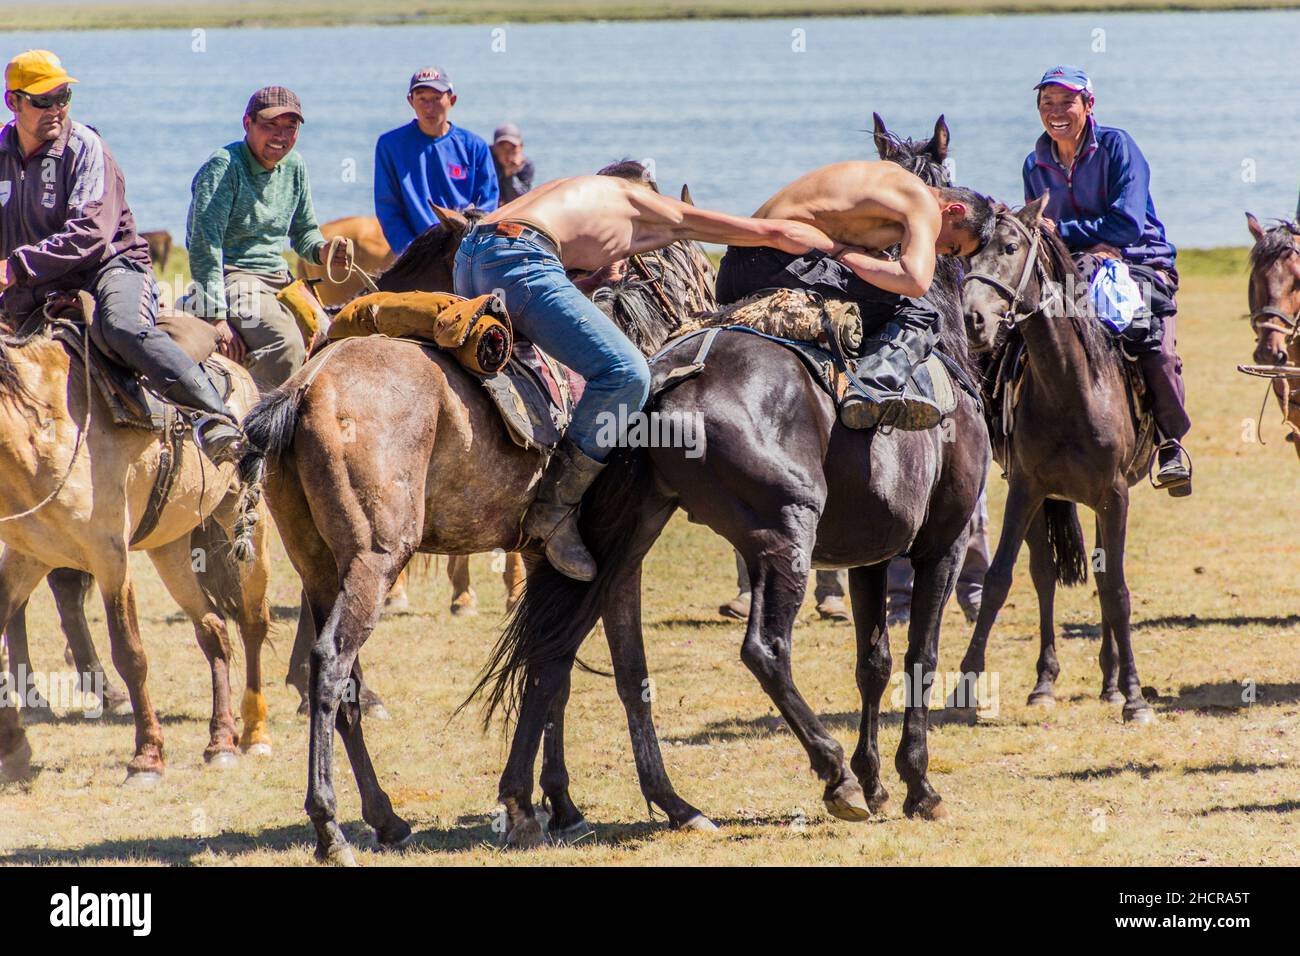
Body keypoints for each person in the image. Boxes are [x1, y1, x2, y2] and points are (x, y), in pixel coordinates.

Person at [454, 161, 836, 581]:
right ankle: (554, 511)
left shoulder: (572, 190)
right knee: (626, 374)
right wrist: (839, 246)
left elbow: (527, 270)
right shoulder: (636, 198)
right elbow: (773, 232)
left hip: (472, 257)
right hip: (521, 260)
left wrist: (591, 281)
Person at [0, 49, 243, 460]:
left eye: (63, 97)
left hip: (111, 268)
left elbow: (89, 233)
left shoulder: (86, 148)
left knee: (122, 327)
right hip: (37, 284)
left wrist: (16, 266)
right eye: (43, 100)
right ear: (13, 102)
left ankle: (213, 416)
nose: (56, 108)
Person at [716, 162, 994, 430]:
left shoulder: (879, 182)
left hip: (734, 269)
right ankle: (871, 390)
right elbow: (916, 281)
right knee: (923, 313)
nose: (941, 252)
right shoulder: (921, 201)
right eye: (951, 246)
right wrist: (848, 256)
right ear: (954, 211)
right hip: (775, 264)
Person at [1023, 65, 1191, 496]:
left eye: (1067, 102)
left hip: (1140, 262)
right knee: (1023, 337)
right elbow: (1037, 230)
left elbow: (1128, 223)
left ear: (1088, 105)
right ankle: (1007, 437)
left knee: (1151, 346)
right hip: (1073, 271)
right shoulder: (1034, 163)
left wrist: (1065, 234)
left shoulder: (1118, 147)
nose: (1056, 112)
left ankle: (1171, 443)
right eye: (1047, 103)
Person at [184, 86, 345, 393]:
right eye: (269, 125)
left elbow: (304, 232)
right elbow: (204, 245)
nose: (279, 136)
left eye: (289, 127)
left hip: (280, 278)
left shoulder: (295, 165)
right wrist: (216, 317)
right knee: (286, 345)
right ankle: (255, 429)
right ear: (248, 124)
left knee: (334, 340)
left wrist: (323, 252)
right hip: (237, 277)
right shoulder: (224, 167)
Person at [375, 66, 498, 256]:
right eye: (422, 98)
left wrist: (468, 250)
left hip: (466, 252)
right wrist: (410, 253)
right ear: (410, 101)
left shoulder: (474, 146)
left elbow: (487, 206)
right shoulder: (390, 145)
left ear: (452, 100)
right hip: (416, 255)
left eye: (436, 98)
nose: (429, 107)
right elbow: (388, 209)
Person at [491, 123, 534, 205]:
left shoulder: (526, 165)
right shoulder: (486, 162)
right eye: (503, 148)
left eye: (513, 148)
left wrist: (509, 175)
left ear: (521, 147)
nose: (508, 154)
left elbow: (521, 200)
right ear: (494, 148)